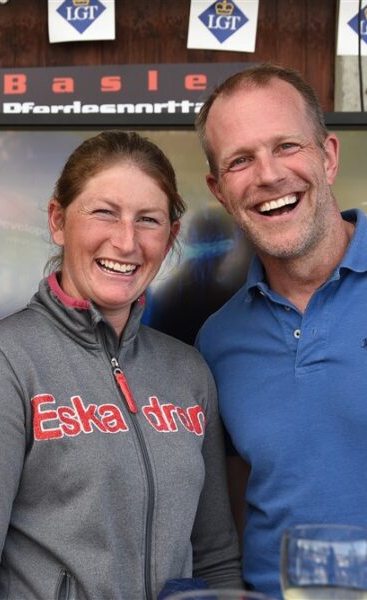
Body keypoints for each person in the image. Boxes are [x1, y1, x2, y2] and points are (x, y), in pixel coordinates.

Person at [0, 130, 241, 599]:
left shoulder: (189, 371)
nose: (126, 241)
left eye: (148, 220)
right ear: (58, 221)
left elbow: (216, 558)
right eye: (104, 212)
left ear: (171, 236)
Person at [194, 63, 366, 599]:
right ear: (219, 190)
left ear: (328, 157)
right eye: (240, 160)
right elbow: (235, 504)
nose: (267, 175)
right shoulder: (216, 342)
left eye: (286, 146)